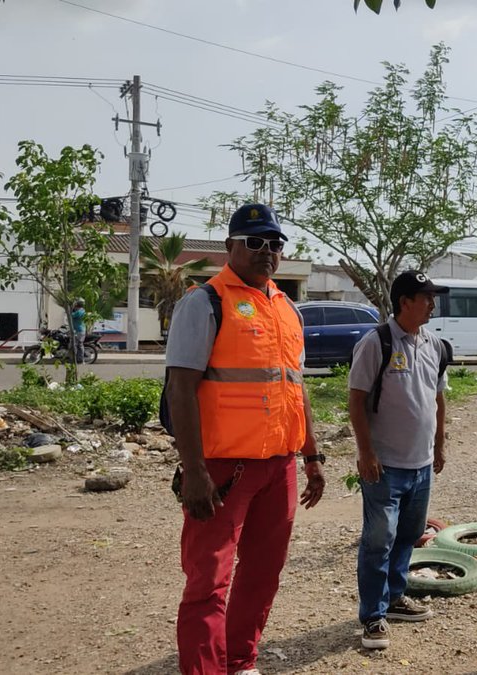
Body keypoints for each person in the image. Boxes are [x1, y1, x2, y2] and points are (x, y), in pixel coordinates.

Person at [165, 203, 326, 675]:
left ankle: (240, 661)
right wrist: (193, 470)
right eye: (254, 242)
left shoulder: (287, 309)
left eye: (275, 243)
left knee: (262, 573)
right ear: (231, 246)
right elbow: (180, 387)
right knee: (208, 582)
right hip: (221, 469)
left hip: (279, 467)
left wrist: (311, 457)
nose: (267, 251)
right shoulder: (205, 301)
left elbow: (295, 388)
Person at [347, 271, 450, 650]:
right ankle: (373, 616)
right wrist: (366, 452)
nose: (432, 304)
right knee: (379, 540)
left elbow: (437, 398)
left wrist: (439, 445)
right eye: (426, 297)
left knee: (407, 535)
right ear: (405, 301)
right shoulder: (377, 342)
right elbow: (356, 399)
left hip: (420, 465)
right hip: (384, 465)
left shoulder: (434, 344)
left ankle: (393, 598)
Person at [70, 298, 86, 363]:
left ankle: (80, 359)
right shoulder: (81, 310)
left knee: (78, 344)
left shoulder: (80, 311)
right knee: (76, 344)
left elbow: (71, 315)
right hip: (77, 330)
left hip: (79, 330)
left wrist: (72, 308)